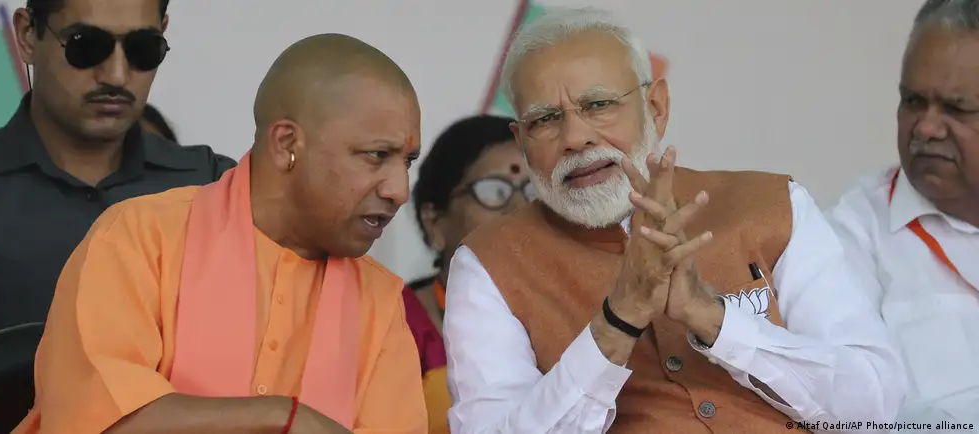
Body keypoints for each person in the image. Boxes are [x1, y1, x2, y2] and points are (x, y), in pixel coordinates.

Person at [442, 7, 906, 433]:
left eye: (598, 105)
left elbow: (874, 410)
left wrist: (710, 315)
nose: (576, 138)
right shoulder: (489, 264)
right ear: (521, 141)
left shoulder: (774, 206)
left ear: (656, 108)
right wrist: (618, 320)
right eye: (545, 119)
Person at [13, 33, 428, 434]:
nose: (399, 190)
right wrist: (281, 417)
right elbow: (95, 418)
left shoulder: (379, 300)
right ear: (286, 143)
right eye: (376, 155)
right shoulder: (141, 239)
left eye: (407, 162)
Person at [0, 0, 236, 334]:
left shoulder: (214, 187)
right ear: (27, 34)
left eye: (142, 48)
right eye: (86, 46)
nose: (116, 75)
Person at [828, 0, 979, 431]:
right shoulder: (849, 237)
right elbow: (854, 411)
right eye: (913, 101)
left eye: (956, 108)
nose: (926, 128)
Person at [404, 114, 533, 434]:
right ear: (434, 220)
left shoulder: (577, 312)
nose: (520, 208)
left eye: (534, 191)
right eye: (494, 191)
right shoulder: (395, 323)